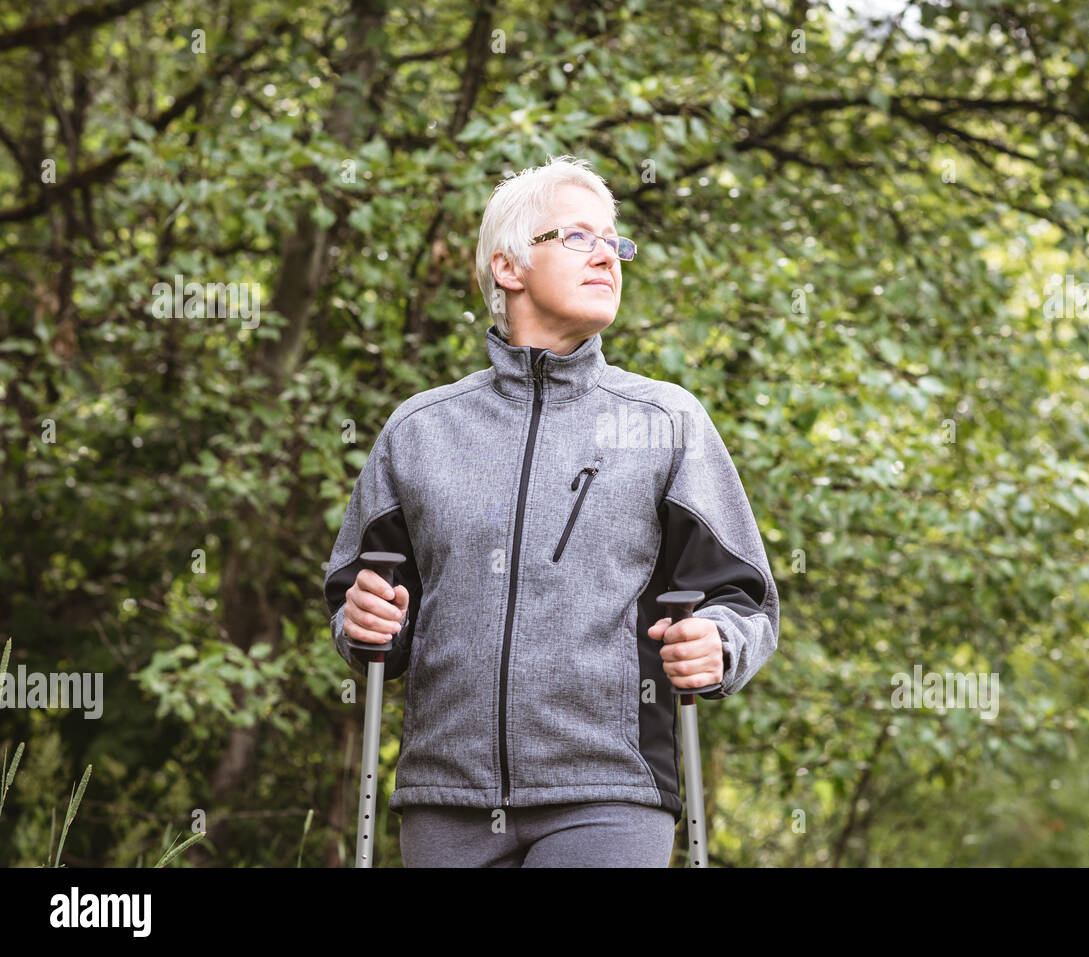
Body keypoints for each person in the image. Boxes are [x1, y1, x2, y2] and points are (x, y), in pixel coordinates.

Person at [322, 154, 779, 867]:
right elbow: (366, 606)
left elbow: (742, 597)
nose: (608, 255)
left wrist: (718, 642)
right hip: (445, 797)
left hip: (610, 790)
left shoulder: (665, 422)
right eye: (577, 237)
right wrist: (364, 621)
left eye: (614, 241)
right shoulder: (420, 430)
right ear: (508, 268)